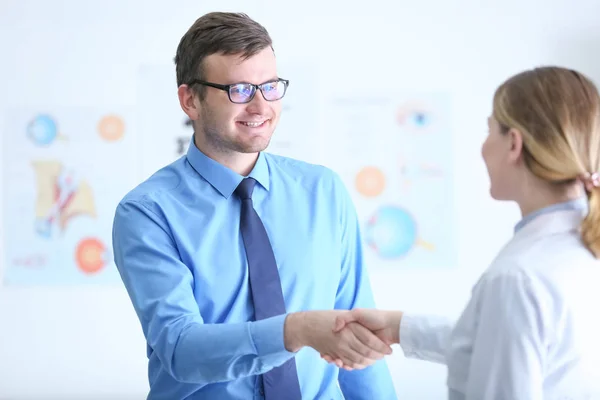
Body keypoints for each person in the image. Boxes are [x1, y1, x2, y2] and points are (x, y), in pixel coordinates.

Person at [111, 11, 397, 400]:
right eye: (240, 90)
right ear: (190, 100)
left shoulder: (323, 191)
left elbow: (358, 335)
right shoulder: (147, 212)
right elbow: (180, 347)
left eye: (270, 86)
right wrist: (293, 331)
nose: (261, 106)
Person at [323, 66, 600, 399]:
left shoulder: (517, 277)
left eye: (489, 131)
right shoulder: (580, 245)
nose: (483, 148)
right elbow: (513, 343)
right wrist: (401, 327)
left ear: (514, 143)